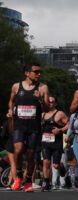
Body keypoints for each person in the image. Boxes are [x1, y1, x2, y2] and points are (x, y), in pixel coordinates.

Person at [7, 63, 49, 192]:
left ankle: (29, 181)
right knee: (18, 150)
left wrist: (40, 99)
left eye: (40, 72)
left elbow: (47, 108)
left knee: (30, 155)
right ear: (27, 73)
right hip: (19, 124)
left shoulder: (42, 88)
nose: (39, 74)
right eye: (36, 72)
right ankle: (19, 176)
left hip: (34, 126)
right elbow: (11, 100)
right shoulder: (16, 86)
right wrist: (10, 111)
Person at [41, 96, 69, 191]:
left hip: (56, 143)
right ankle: (46, 182)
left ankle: (62, 169)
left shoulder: (60, 113)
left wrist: (60, 129)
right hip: (45, 142)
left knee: (55, 165)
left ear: (55, 103)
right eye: (48, 102)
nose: (50, 103)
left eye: (52, 102)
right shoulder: (43, 114)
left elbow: (69, 124)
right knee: (46, 162)